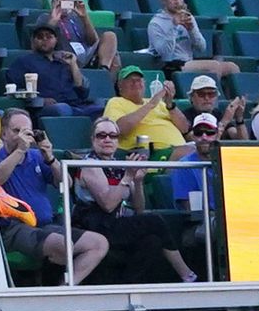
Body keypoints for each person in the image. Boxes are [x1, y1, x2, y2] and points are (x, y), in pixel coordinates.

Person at [74, 119, 197, 283]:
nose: (107, 140)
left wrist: (138, 181)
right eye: (101, 135)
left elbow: (139, 209)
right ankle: (187, 274)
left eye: (113, 135)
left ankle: (127, 288)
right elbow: (108, 205)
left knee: (151, 241)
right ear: (93, 139)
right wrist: (128, 177)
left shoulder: (120, 165)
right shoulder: (89, 165)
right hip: (92, 226)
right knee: (154, 221)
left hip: (115, 224)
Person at [0, 110, 107, 283]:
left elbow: (65, 183)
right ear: (4, 133)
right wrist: (20, 151)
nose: (23, 136)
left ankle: (64, 290)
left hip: (46, 224)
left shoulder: (37, 156)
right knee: (63, 246)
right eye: (17, 131)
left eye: (27, 131)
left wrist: (50, 158)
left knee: (98, 243)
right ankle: (48, 287)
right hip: (14, 228)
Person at [145, 0, 239, 83]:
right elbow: (165, 55)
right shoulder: (155, 23)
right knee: (214, 66)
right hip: (170, 65)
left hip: (188, 62)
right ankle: (213, 96)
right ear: (163, 0)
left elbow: (202, 48)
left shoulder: (187, 16)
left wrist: (191, 30)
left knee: (232, 67)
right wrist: (173, 26)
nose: (177, 2)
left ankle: (236, 97)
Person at [102, 66, 190, 154]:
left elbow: (184, 129)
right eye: (131, 80)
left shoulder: (161, 104)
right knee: (190, 152)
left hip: (179, 150)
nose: (136, 83)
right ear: (120, 85)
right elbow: (118, 129)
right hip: (150, 154)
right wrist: (151, 105)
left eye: (139, 80)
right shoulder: (116, 102)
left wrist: (170, 105)